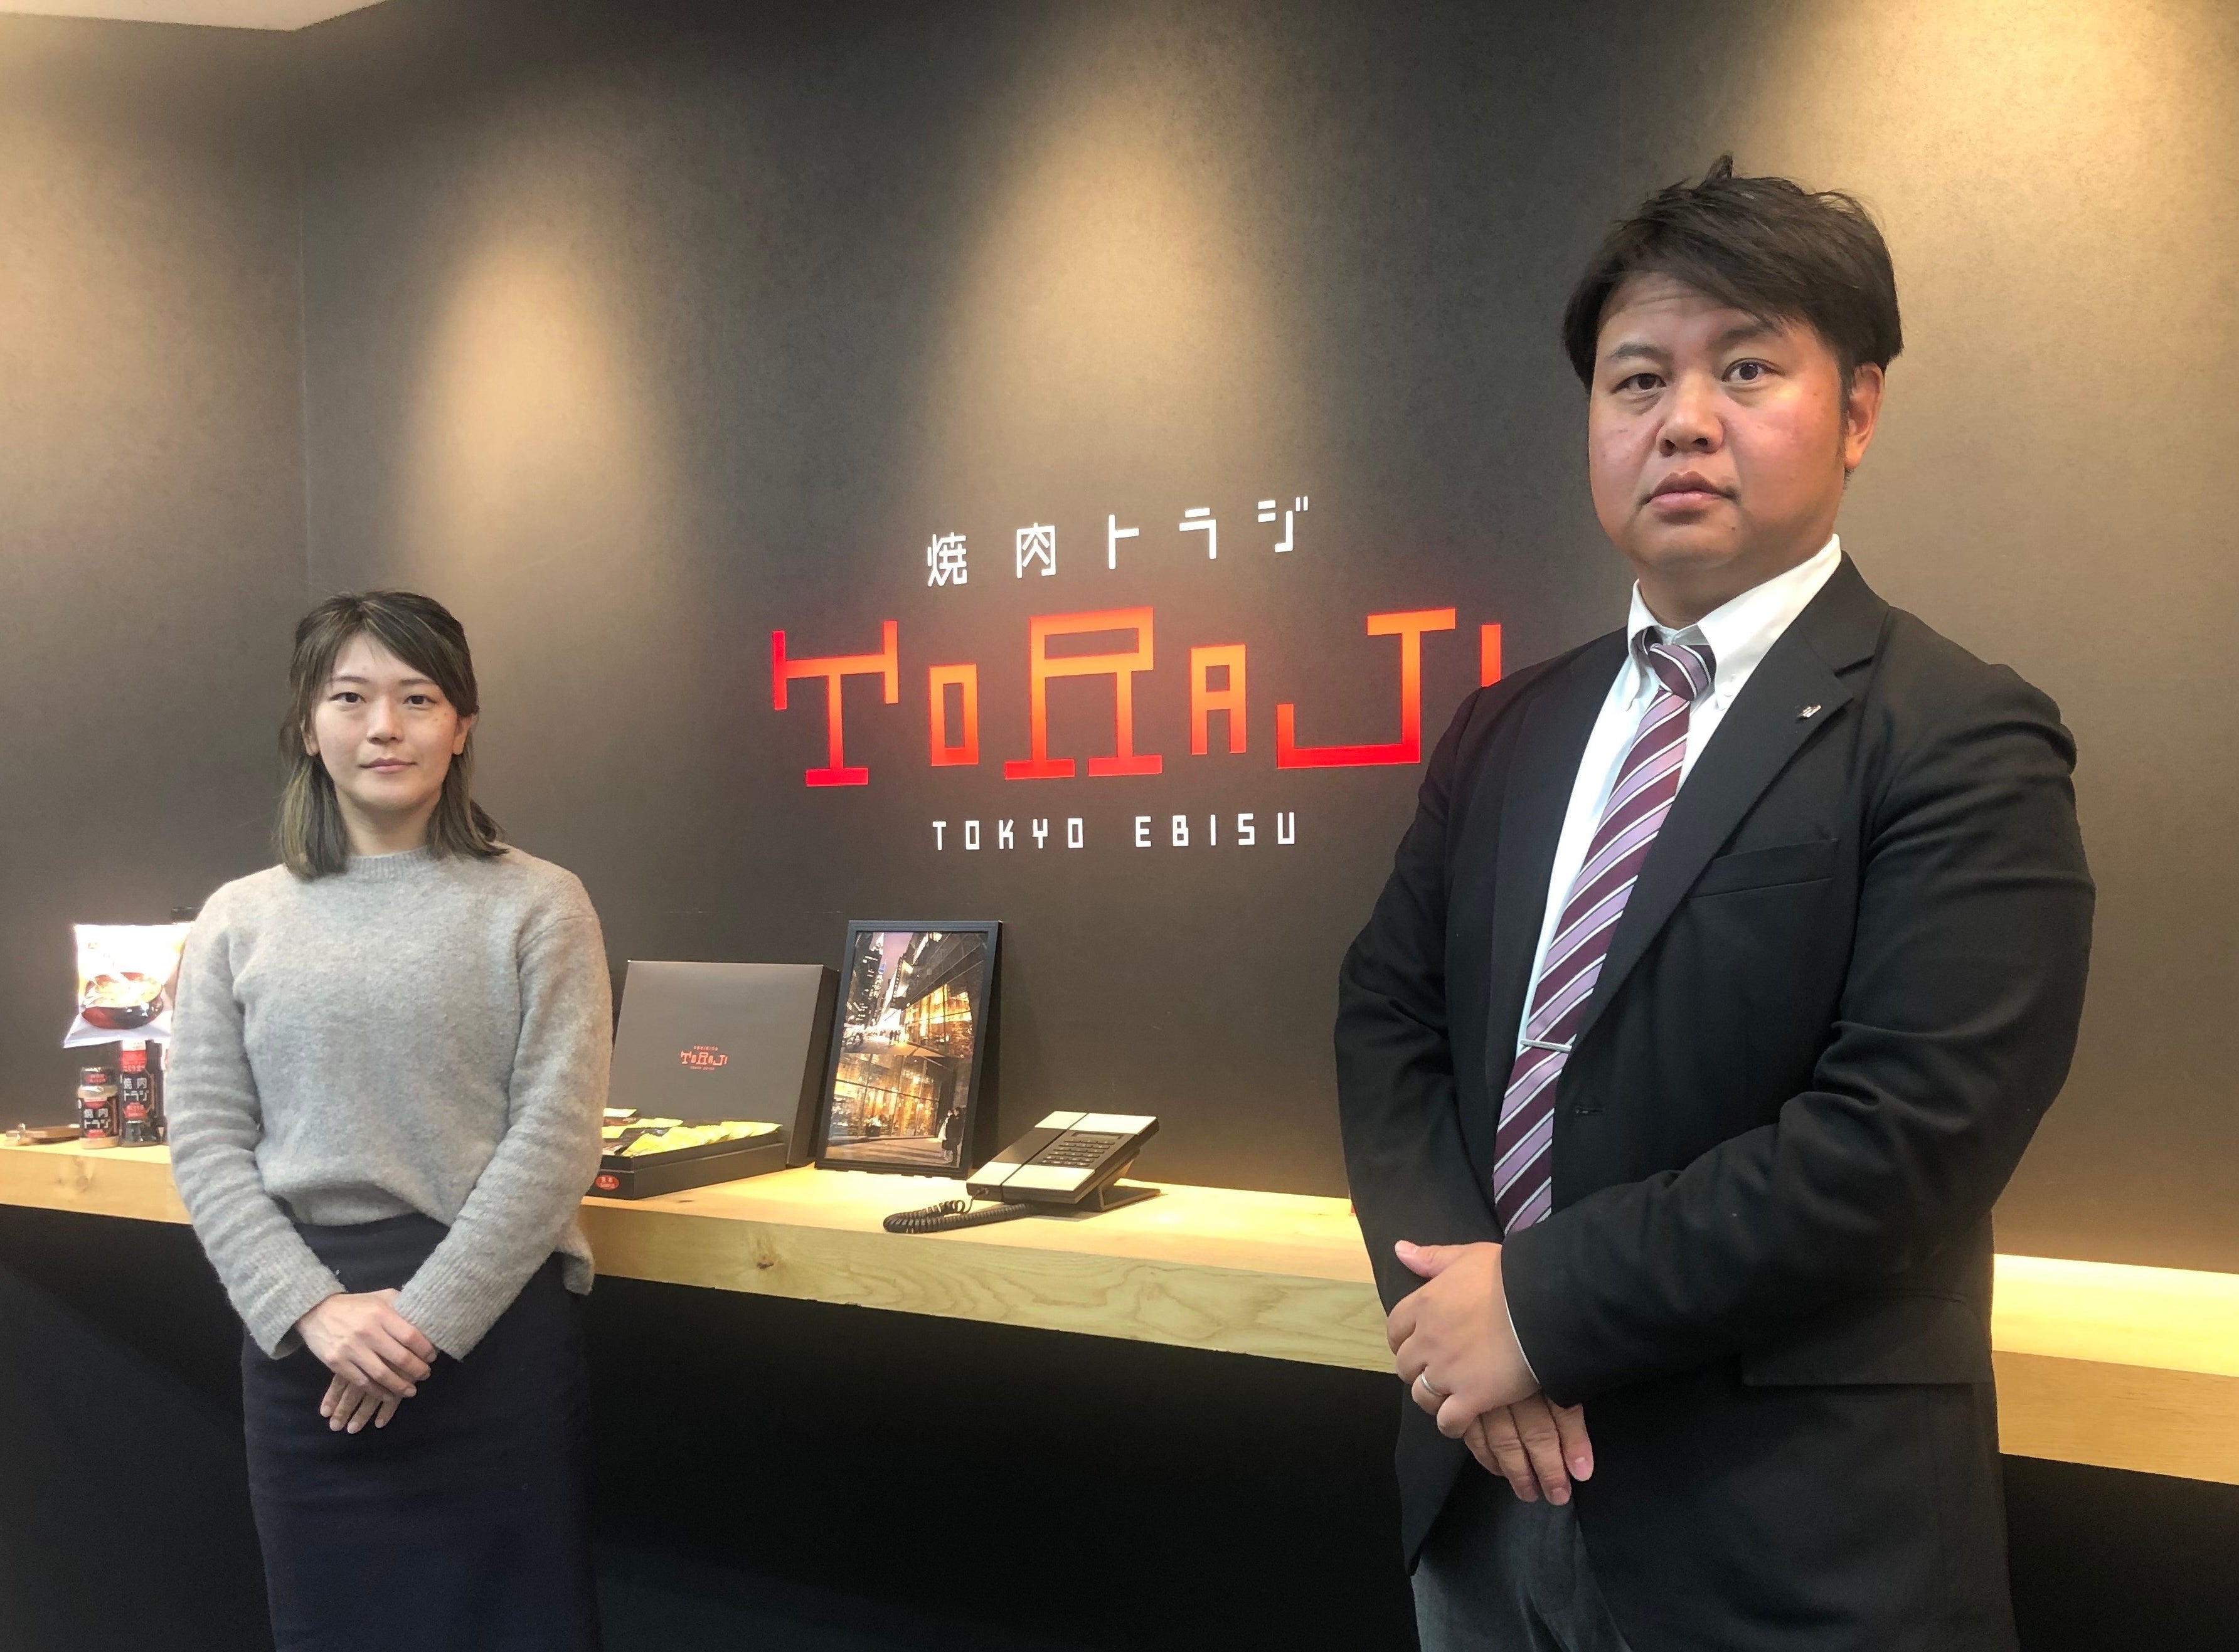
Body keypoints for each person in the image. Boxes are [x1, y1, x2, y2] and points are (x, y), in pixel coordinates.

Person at [1334, 157, 2093, 1651]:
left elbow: (1906, 1137)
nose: (1683, 419)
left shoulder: (1961, 736)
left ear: (1858, 410)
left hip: (1784, 1542)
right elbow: (1387, 1019)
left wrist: (1540, 1308)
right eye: (1637, 380)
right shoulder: (1506, 729)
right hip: (1479, 1499)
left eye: (1745, 368)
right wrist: (1453, 1311)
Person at [168, 590, 613, 1651]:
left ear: (461, 726)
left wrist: (424, 1323)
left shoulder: (540, 902)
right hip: (305, 1344)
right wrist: (313, 1309)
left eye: (418, 698)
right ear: (307, 727)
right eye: (351, 698)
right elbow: (207, 1136)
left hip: (488, 1332)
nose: (385, 727)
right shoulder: (238, 917)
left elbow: (556, 1136)